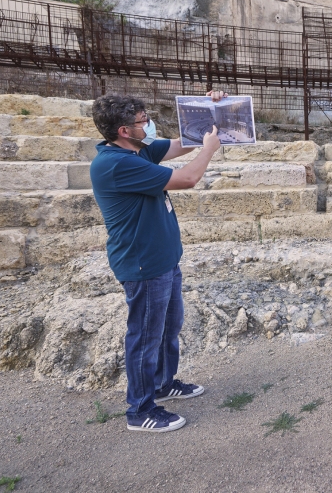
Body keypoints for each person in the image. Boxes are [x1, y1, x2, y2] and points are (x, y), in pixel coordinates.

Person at [90, 91, 225, 432]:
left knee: (168, 327)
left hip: (162, 259)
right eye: (142, 120)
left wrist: (211, 108)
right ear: (123, 130)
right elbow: (188, 178)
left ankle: (163, 384)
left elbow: (185, 142)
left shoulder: (138, 149)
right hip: (143, 264)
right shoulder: (117, 164)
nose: (149, 124)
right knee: (145, 336)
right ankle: (140, 409)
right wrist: (209, 151)